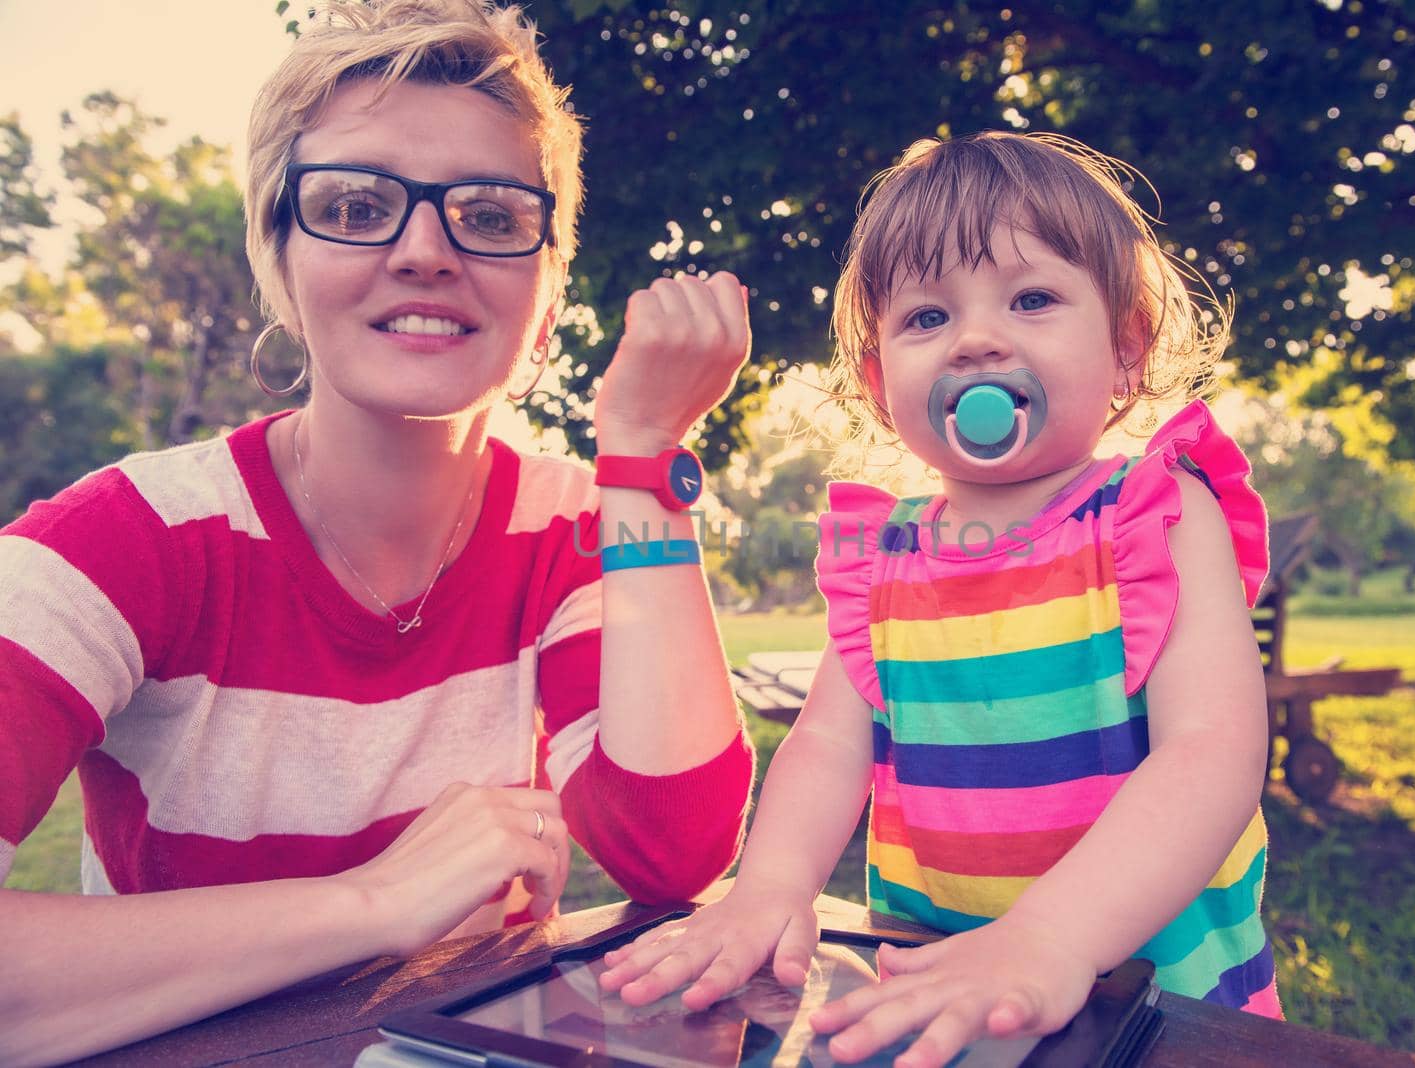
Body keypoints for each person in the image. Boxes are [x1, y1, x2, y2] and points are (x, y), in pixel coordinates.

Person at [0, 1, 754, 1062]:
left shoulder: (573, 523)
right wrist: (374, 904)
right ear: (279, 258)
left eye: (490, 217)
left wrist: (640, 455)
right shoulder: (122, 541)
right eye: (356, 204)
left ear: (545, 294)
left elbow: (671, 856)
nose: (424, 251)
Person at [599, 131, 1278, 1068]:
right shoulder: (884, 555)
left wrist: (1054, 938)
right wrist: (770, 889)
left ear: (1126, 349)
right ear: (882, 386)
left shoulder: (1154, 512)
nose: (978, 337)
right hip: (937, 980)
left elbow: (1213, 753)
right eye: (925, 318)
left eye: (1033, 298)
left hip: (1154, 1000)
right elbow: (829, 746)